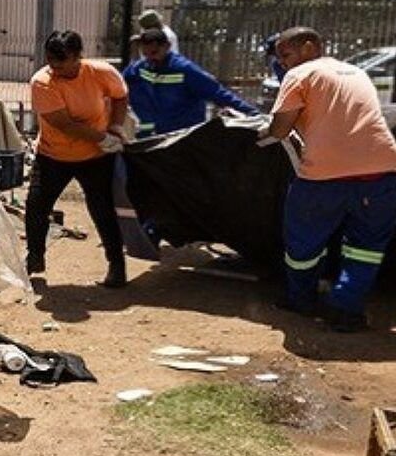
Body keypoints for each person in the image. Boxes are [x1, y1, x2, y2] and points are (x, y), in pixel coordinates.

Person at [259, 26, 396, 331]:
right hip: (382, 172)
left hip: (323, 176)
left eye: (285, 54)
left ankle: (301, 299)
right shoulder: (356, 72)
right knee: (366, 247)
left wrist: (266, 131)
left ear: (308, 47)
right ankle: (347, 308)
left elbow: (280, 130)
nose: (282, 63)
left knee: (303, 244)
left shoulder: (300, 74)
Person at [26, 30, 130, 288]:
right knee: (37, 206)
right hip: (53, 155)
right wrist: (102, 138)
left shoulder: (100, 72)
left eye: (62, 62)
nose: (55, 68)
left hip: (94, 157)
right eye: (51, 61)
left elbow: (120, 95)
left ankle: (116, 265)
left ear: (78, 57)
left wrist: (116, 127)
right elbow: (64, 124)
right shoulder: (42, 82)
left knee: (103, 209)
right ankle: (34, 256)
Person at [123, 28, 259, 138]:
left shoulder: (184, 70)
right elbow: (121, 83)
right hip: (157, 134)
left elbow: (217, 93)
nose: (150, 58)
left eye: (154, 53)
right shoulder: (142, 68)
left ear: (167, 46)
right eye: (145, 54)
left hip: (185, 135)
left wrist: (254, 114)